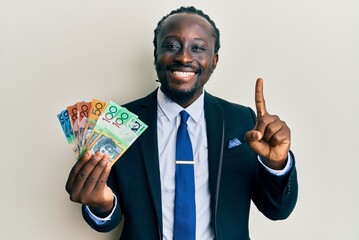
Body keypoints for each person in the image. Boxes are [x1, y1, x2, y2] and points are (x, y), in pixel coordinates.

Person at [65, 6, 298, 240]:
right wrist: (101, 206)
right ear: (156, 53)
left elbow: (277, 210)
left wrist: (276, 164)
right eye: (172, 46)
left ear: (214, 60)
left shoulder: (243, 121)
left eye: (198, 48)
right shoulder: (119, 122)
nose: (184, 57)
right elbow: (107, 220)